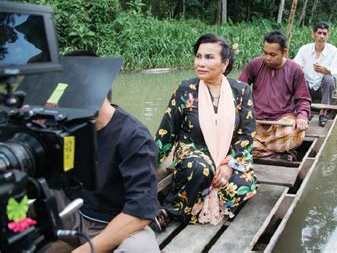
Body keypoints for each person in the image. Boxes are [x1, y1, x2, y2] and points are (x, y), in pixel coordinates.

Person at [50, 51, 160, 252]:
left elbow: (139, 213)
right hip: (70, 212)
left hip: (114, 225)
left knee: (141, 249)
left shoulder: (134, 137)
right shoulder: (64, 125)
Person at [155, 33, 257, 226]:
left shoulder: (242, 91)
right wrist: (146, 164)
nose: (201, 63)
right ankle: (172, 210)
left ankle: (202, 202)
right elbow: (166, 133)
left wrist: (229, 164)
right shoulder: (186, 89)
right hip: (194, 149)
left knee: (243, 182)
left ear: (225, 63)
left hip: (227, 154)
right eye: (199, 56)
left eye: (209, 57)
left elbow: (247, 135)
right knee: (200, 169)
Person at [238, 31, 311, 159]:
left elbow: (303, 99)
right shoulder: (255, 64)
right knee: (234, 132)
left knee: (296, 134)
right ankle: (272, 153)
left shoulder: (295, 70)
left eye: (272, 54)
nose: (267, 58)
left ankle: (258, 150)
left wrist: (302, 117)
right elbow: (239, 89)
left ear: (284, 52)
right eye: (265, 53)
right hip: (257, 119)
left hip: (282, 121)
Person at [294, 22, 337, 127]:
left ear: (328, 36)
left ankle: (323, 113)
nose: (322, 36)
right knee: (298, 78)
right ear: (313, 35)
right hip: (306, 88)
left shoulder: (334, 51)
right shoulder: (304, 49)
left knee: (329, 79)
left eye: (324, 34)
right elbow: (295, 66)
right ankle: (304, 111)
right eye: (319, 33)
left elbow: (336, 72)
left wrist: (326, 71)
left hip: (322, 89)